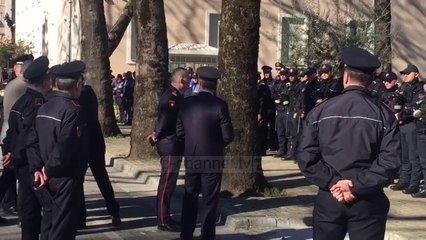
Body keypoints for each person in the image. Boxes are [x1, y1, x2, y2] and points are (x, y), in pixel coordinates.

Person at [297, 47, 401, 240]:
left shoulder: (320, 112)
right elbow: (390, 162)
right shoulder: (384, 114)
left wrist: (334, 183)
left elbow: (306, 157)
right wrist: (355, 186)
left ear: (345, 77)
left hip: (330, 198)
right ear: (370, 81)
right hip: (368, 199)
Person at [26, 60, 89, 240]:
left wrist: (37, 169)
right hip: (64, 178)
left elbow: (32, 141)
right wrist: (46, 170)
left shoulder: (45, 106)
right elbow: (64, 147)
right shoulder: (73, 111)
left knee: (48, 225)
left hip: (46, 177)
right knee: (63, 229)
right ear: (77, 84)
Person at [177, 66, 234, 240]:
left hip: (192, 156)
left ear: (199, 82)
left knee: (190, 196)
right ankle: (207, 235)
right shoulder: (220, 105)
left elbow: (179, 132)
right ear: (214, 85)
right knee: (210, 200)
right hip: (213, 158)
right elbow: (228, 136)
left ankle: (186, 233)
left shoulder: (186, 103)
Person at [2, 56, 51, 240]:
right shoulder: (37, 103)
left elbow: (10, 132)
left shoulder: (21, 102)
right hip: (32, 164)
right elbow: (28, 134)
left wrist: (9, 151)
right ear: (44, 81)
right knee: (50, 209)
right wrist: (14, 154)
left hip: (22, 166)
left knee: (28, 211)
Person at [147, 67, 189, 232]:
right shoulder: (172, 97)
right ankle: (163, 219)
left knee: (169, 182)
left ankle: (165, 217)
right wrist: (157, 133)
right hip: (170, 144)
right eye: (188, 78)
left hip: (174, 143)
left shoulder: (176, 95)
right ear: (182, 80)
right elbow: (165, 117)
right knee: (167, 182)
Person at [78, 81, 121, 226]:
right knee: (101, 177)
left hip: (85, 141)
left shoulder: (81, 95)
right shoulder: (89, 92)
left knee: (80, 180)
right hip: (95, 139)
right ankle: (114, 211)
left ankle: (80, 218)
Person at [0, 54, 34, 215]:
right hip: (15, 135)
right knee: (15, 173)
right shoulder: (23, 85)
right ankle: (19, 207)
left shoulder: (14, 83)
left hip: (8, 133)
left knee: (9, 173)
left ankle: (10, 203)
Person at [390, 65, 423, 194]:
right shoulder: (403, 87)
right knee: (404, 156)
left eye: (407, 73)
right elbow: (396, 102)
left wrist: (402, 112)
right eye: (403, 74)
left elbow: (415, 107)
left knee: (413, 156)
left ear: (416, 74)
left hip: (412, 124)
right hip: (402, 124)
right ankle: (404, 180)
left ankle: (414, 183)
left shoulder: (420, 88)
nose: (405, 76)